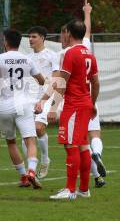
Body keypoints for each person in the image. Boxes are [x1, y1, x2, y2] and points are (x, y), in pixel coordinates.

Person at [40, 19, 99, 200]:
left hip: (73, 105)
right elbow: (96, 83)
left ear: (69, 34)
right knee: (83, 145)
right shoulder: (89, 54)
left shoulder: (70, 53)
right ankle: (83, 189)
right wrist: (92, 104)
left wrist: (53, 107)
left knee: (71, 144)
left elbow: (62, 82)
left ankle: (70, 189)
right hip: (85, 103)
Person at [0, 29, 45, 189]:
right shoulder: (27, 59)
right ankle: (32, 171)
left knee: (11, 142)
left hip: (5, 105)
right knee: (30, 141)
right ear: (19, 42)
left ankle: (23, 176)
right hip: (24, 104)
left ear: (5, 41)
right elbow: (41, 80)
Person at [22, 26, 60, 179]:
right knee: (27, 135)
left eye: (34, 37)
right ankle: (30, 170)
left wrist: (47, 101)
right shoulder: (27, 58)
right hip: (28, 98)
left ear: (43, 38)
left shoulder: (52, 55)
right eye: (29, 36)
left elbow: (56, 79)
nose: (30, 39)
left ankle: (45, 159)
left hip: (46, 97)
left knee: (38, 128)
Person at [81, 0, 106, 188]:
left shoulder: (66, 54)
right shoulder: (86, 49)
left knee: (80, 142)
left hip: (74, 101)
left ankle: (94, 176)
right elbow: (87, 31)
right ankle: (97, 161)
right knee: (94, 135)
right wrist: (87, 12)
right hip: (90, 99)